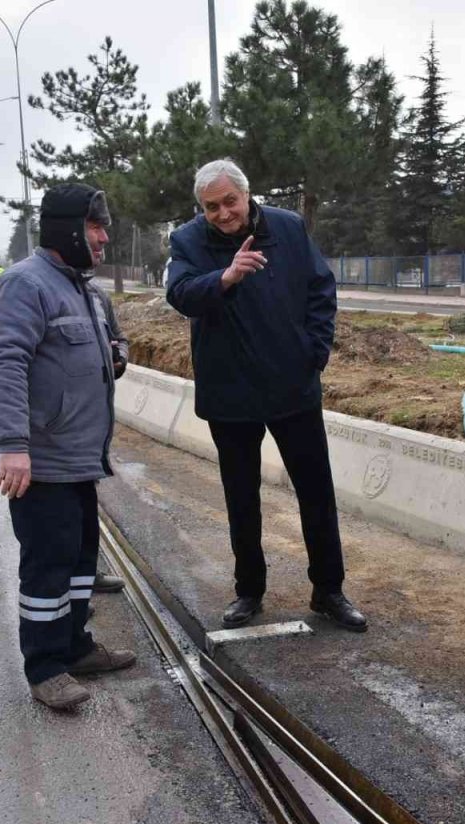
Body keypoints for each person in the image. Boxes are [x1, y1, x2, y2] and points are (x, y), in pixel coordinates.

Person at [165, 159, 367, 633]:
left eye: (229, 202)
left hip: (292, 385)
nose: (222, 213)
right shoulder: (188, 240)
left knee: (316, 492)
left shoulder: (288, 228)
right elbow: (180, 293)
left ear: (246, 194)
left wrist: (314, 352)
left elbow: (321, 289)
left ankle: (329, 589)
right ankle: (249, 590)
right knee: (242, 498)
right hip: (229, 393)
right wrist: (226, 277)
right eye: (211, 207)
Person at [0, 183, 137, 712]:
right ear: (68, 228)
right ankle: (45, 667)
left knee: (77, 561)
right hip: (40, 459)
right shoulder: (26, 284)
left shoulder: (84, 289)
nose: (104, 237)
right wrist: (13, 446)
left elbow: (101, 349)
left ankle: (75, 646)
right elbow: (6, 363)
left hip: (78, 456)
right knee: (47, 564)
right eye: (95, 227)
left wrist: (113, 356)